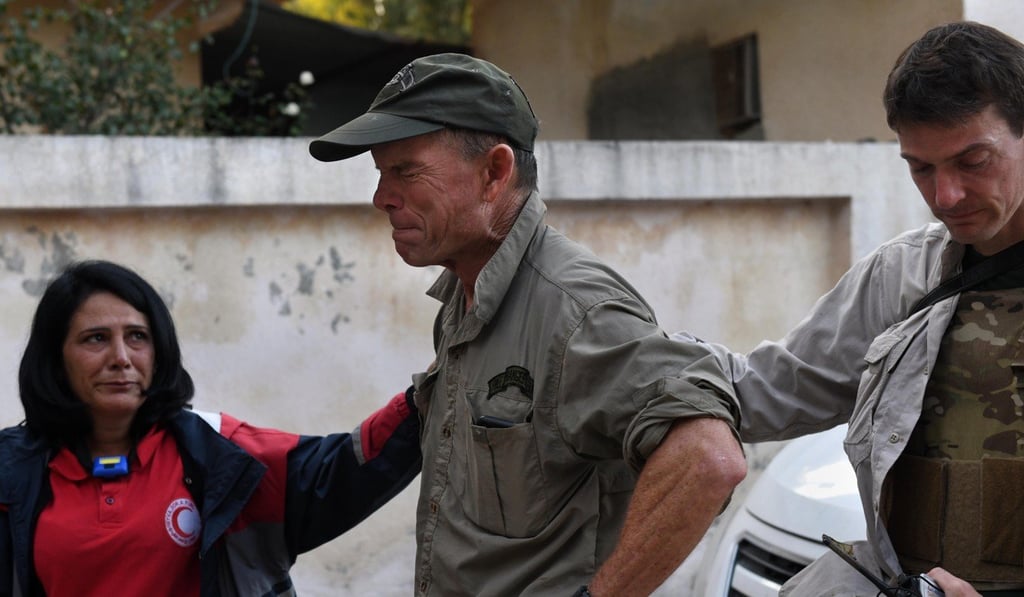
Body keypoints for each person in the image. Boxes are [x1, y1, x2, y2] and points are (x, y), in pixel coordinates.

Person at [308, 53, 746, 596]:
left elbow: (707, 457)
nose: (382, 198)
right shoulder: (466, 295)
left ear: (494, 173)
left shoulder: (575, 310)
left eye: (406, 171)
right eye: (381, 174)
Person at [694, 21, 1024, 597]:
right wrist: (621, 358)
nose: (945, 195)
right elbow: (768, 388)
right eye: (921, 168)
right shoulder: (904, 277)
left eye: (973, 161)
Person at [0, 260, 421, 596]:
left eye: (137, 336)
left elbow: (343, 468)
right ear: (55, 359)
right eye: (95, 338)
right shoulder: (11, 472)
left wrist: (430, 397)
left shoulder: (221, 454)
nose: (121, 358)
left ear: (159, 351)